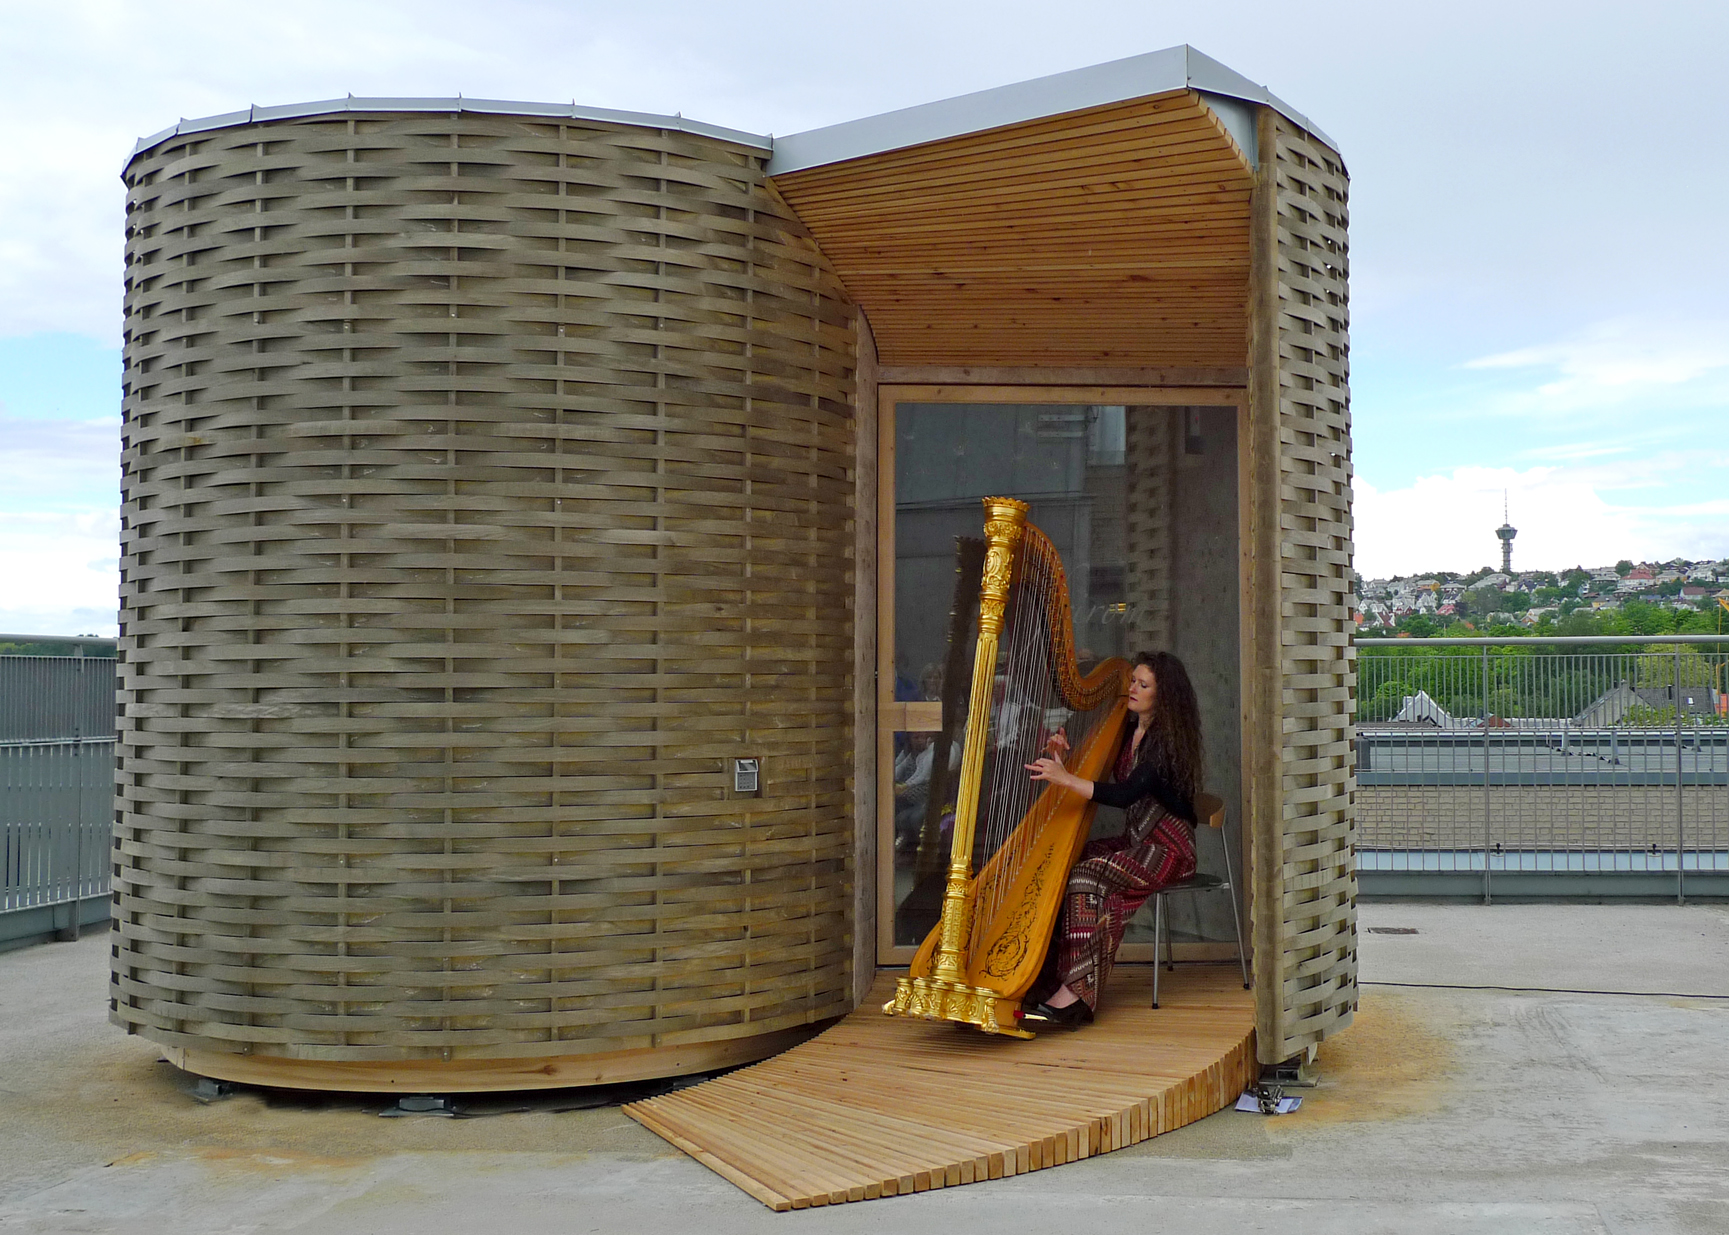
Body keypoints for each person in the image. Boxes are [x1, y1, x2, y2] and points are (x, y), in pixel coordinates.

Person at [1021, 650, 1202, 1029]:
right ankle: (1047, 975)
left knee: (1088, 876)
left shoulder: (1164, 744)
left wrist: (1064, 778)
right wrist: (1066, 754)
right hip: (1138, 843)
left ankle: (1076, 995)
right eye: (1133, 680)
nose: (1132, 688)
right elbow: (1100, 768)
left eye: (1143, 684)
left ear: (1163, 695)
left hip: (1170, 851)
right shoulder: (1128, 728)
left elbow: (1123, 796)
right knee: (1074, 861)